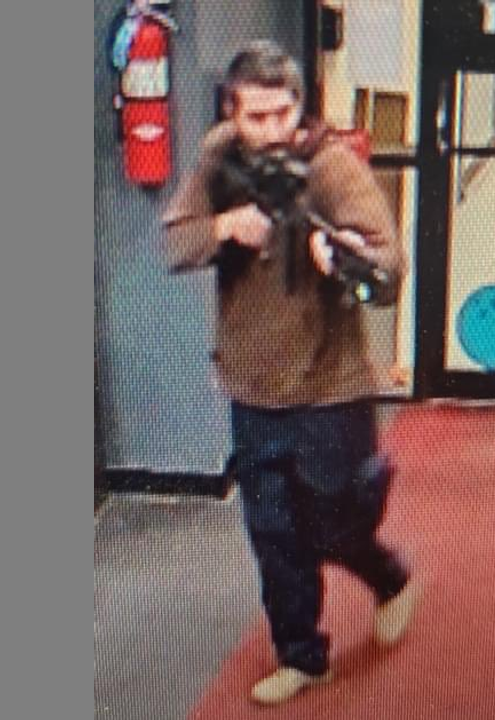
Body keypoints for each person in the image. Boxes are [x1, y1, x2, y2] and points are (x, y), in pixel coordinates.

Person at [161, 40, 420, 705]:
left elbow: (389, 268)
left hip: (330, 386)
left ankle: (390, 578)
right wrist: (226, 225)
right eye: (257, 117)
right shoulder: (219, 160)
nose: (273, 129)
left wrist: (347, 257)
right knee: (274, 535)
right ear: (232, 112)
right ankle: (302, 655)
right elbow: (175, 243)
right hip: (253, 388)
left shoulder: (330, 166)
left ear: (299, 108)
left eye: (284, 114)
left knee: (337, 525)